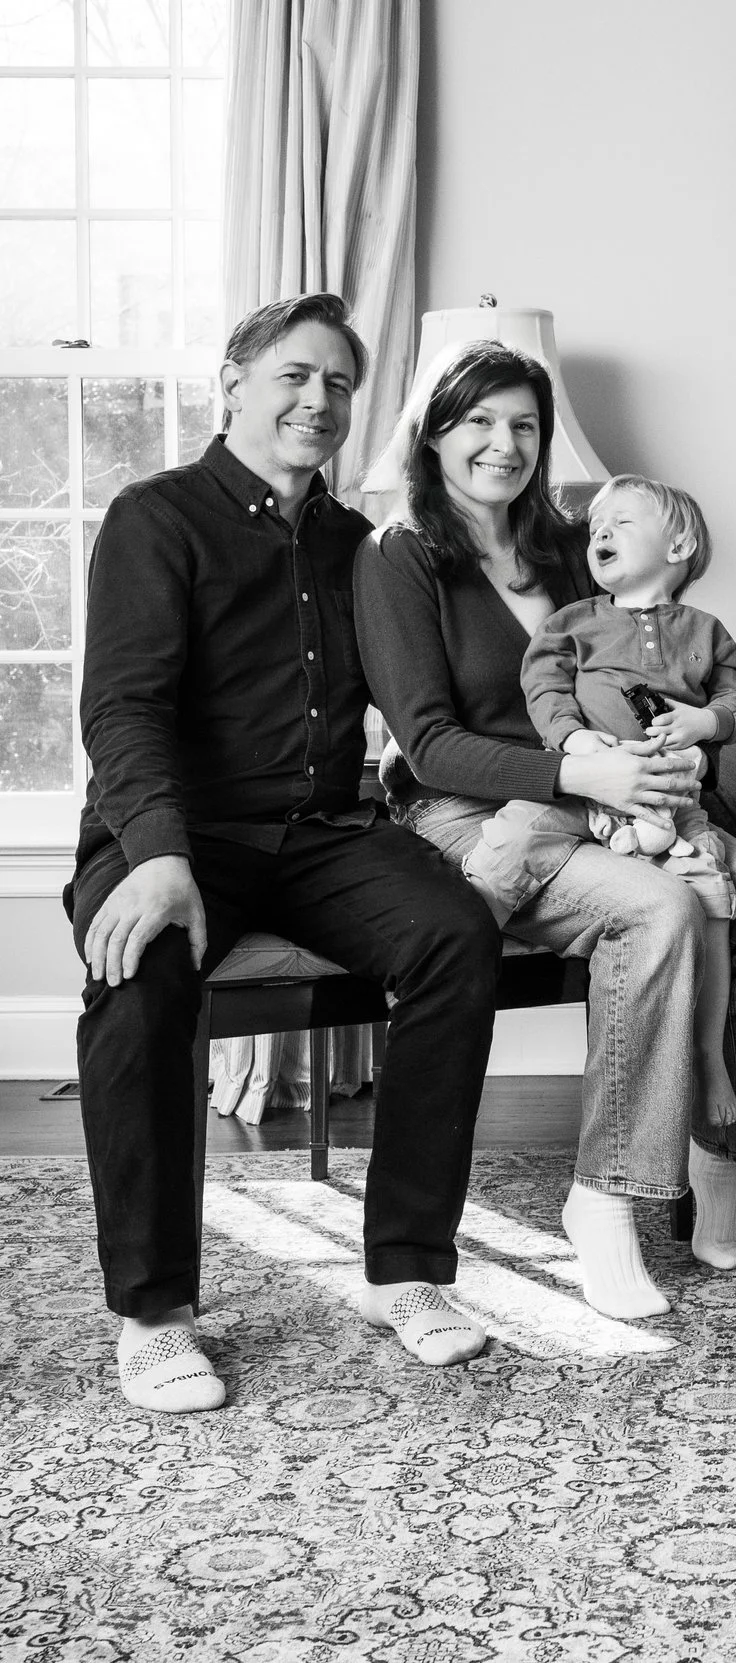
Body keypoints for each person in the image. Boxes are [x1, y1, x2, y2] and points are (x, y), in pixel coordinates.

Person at [73, 293, 503, 1411]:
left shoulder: (360, 545)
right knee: (139, 970)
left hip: (321, 833)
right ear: (233, 384)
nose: (319, 400)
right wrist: (156, 854)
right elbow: (121, 707)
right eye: (295, 377)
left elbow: (435, 701)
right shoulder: (155, 517)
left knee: (456, 935)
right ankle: (154, 1315)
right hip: (173, 833)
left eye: (340, 384)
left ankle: (406, 1270)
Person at [357, 341, 736, 1321]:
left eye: (524, 424)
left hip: (618, 797)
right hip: (473, 811)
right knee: (658, 911)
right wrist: (576, 771)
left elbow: (658, 671)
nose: (503, 443)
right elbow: (427, 744)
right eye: (479, 421)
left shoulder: (570, 544)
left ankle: (716, 1165)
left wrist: (680, 752)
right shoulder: (400, 555)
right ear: (434, 434)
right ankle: (604, 1199)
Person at [466, 474, 736, 1129]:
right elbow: (543, 686)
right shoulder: (573, 622)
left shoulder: (706, 631)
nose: (601, 532)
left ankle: (708, 1055)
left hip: (669, 804)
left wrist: (703, 723)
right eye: (597, 526)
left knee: (713, 900)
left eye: (622, 521)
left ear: (678, 544)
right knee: (512, 837)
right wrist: (573, 741)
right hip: (583, 789)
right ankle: (458, 969)